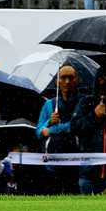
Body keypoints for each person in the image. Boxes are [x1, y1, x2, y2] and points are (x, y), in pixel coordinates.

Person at [36, 65, 86, 194]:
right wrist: (49, 122)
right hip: (53, 165)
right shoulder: (49, 104)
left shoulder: (84, 102)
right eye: (63, 78)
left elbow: (78, 126)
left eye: (71, 77)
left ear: (77, 80)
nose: (67, 82)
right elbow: (39, 132)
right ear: (56, 81)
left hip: (77, 164)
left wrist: (53, 129)